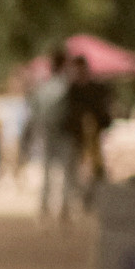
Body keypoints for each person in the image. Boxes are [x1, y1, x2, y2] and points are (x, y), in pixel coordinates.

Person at [65, 54, 113, 209]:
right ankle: (81, 198)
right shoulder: (73, 90)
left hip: (93, 135)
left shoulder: (95, 89)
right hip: (78, 136)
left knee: (96, 167)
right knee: (78, 168)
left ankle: (94, 198)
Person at [31, 49, 73, 222]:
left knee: (49, 170)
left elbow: (36, 111)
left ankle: (45, 206)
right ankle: (62, 206)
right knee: (66, 171)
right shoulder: (65, 86)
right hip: (63, 132)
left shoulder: (44, 86)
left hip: (49, 131)